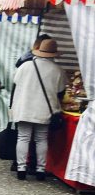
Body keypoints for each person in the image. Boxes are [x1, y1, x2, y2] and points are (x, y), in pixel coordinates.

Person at [10, 38, 66, 180]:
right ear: (54, 54)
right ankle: (40, 170)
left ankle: (21, 169)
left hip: (24, 107)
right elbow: (60, 92)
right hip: (45, 110)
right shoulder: (58, 70)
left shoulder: (25, 66)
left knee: (23, 137)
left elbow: (15, 81)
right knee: (41, 139)